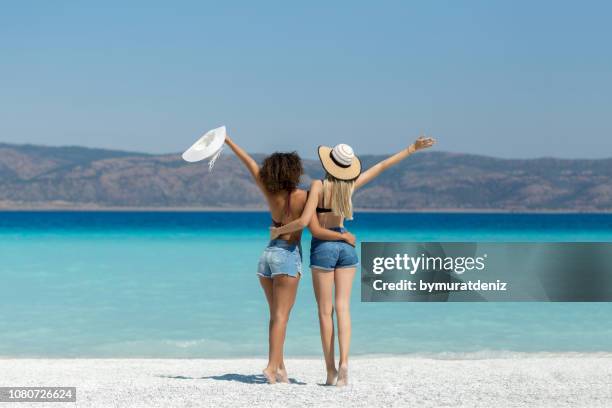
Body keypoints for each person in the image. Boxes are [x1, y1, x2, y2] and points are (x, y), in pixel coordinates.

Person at [271, 136, 436, 386]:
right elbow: (381, 167)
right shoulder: (349, 187)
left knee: (325, 312)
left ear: (329, 164)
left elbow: (313, 229)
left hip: (324, 249)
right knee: (344, 308)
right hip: (346, 249)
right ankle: (345, 362)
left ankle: (330, 371)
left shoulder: (318, 186)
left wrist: (278, 231)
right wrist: (411, 149)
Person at [224, 134, 356, 384]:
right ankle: (271, 367)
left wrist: (229, 142)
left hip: (267, 256)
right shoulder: (306, 197)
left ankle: (281, 369)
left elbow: (250, 164)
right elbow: (311, 225)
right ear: (295, 172)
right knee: (282, 316)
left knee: (275, 315)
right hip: (286, 256)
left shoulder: (268, 191)